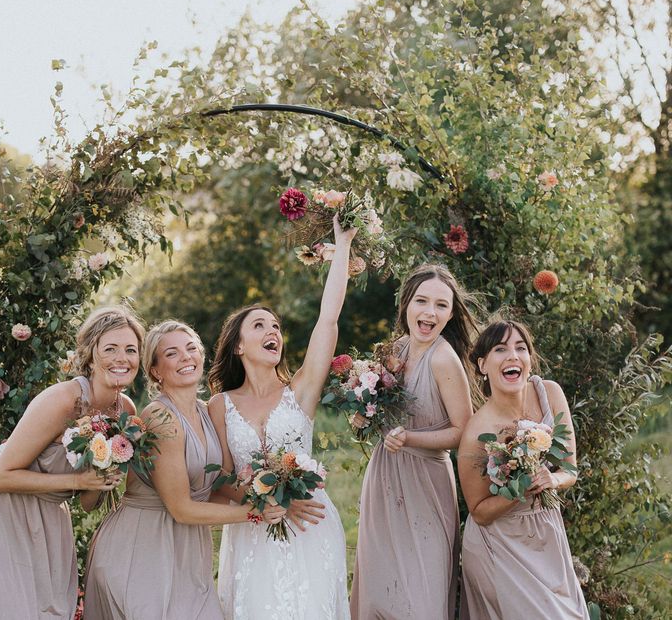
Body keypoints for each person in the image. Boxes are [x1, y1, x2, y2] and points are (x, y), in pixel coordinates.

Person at [0, 305, 143, 620]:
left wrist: (104, 473)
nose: (122, 358)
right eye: (110, 348)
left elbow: (88, 502)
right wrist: (78, 481)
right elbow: (1, 477)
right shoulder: (63, 400)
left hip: (43, 514)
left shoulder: (124, 410)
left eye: (130, 349)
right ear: (91, 355)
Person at [84, 320, 283, 620]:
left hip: (189, 552)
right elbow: (181, 509)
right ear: (155, 370)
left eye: (191, 349)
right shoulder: (160, 417)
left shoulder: (207, 410)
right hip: (142, 549)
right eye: (172, 354)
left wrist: (271, 492)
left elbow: (220, 482)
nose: (186, 357)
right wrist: (256, 514)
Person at [208, 216, 355, 620]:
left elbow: (328, 319)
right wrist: (267, 501)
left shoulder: (300, 392)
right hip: (253, 533)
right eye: (260, 325)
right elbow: (221, 481)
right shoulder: (219, 406)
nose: (273, 330)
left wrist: (342, 245)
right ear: (238, 345)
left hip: (310, 526)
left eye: (276, 326)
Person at [349, 264, 479, 619]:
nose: (429, 312)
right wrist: (363, 416)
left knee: (422, 591)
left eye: (440, 305)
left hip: (426, 483)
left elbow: (462, 431)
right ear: (406, 304)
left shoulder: (443, 359)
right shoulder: (395, 351)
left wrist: (411, 439)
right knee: (381, 585)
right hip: (385, 479)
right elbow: (384, 414)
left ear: (450, 314)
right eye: (421, 301)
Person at [458, 319, 588, 619]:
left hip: (547, 532)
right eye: (501, 349)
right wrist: (520, 489)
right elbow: (478, 510)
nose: (513, 356)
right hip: (501, 544)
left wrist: (552, 479)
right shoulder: (477, 431)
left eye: (520, 348)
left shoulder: (549, 393)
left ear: (529, 359)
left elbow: (570, 468)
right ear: (482, 365)